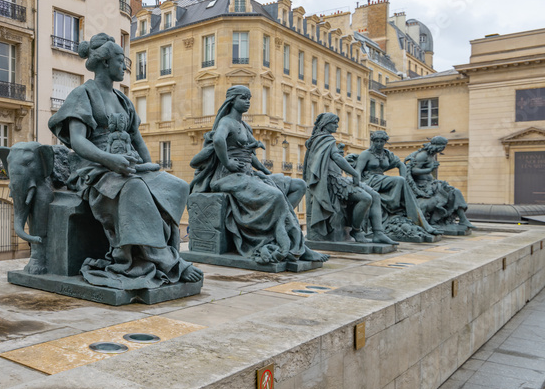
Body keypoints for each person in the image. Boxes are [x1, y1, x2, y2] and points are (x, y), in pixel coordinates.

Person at [47, 33, 203, 289]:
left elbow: (137, 140)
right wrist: (110, 160)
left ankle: (164, 250)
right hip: (95, 169)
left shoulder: (123, 100)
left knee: (175, 185)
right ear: (105, 62)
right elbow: (78, 141)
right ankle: (164, 261)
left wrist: (150, 167)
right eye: (121, 60)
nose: (125, 65)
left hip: (127, 166)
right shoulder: (83, 94)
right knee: (134, 188)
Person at [189, 85, 326, 265]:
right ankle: (284, 241)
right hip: (228, 177)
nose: (247, 102)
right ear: (232, 100)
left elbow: (250, 155)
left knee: (298, 185)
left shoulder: (244, 126)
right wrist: (227, 162)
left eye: (249, 98)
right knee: (276, 195)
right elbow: (218, 140)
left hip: (248, 174)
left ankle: (275, 230)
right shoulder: (227, 122)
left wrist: (264, 171)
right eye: (243, 98)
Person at [303, 113, 395, 244]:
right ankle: (356, 231)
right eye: (334, 123)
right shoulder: (325, 139)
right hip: (332, 181)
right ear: (325, 124)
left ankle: (378, 233)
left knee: (375, 195)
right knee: (366, 198)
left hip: (339, 178)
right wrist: (355, 173)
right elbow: (337, 158)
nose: (337, 125)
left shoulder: (322, 139)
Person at [355, 130, 439, 235]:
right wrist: (358, 184)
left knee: (401, 180)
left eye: (382, 141)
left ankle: (421, 222)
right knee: (398, 180)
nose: (379, 144)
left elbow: (400, 164)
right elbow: (358, 170)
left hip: (381, 179)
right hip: (369, 180)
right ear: (373, 141)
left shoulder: (387, 154)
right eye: (376, 141)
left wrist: (406, 182)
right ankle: (393, 205)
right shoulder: (366, 154)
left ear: (385, 142)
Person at [405, 136, 474, 230]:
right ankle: (455, 219)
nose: (443, 148)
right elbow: (413, 170)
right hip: (422, 185)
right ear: (435, 145)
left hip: (432, 183)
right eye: (442, 146)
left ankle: (462, 219)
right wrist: (430, 169)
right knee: (452, 192)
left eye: (444, 146)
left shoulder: (432, 155)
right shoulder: (423, 155)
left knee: (455, 191)